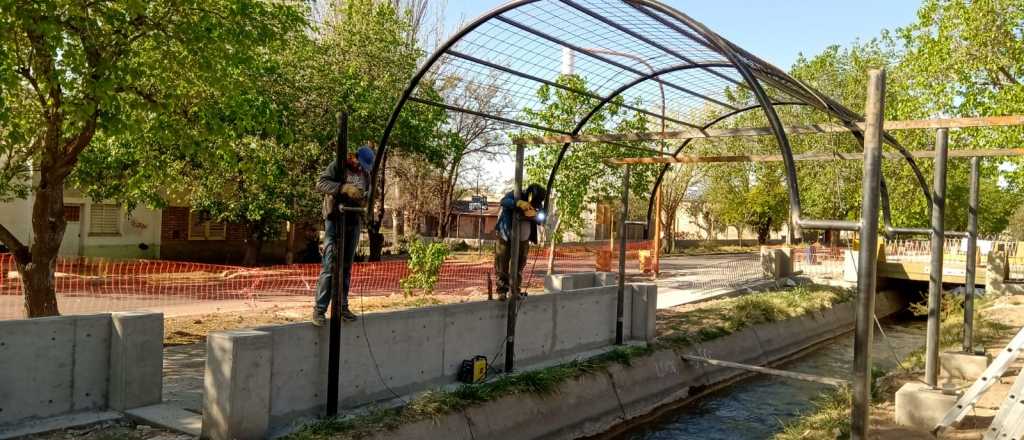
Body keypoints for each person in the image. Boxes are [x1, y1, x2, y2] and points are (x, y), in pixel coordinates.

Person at [312, 142, 375, 326]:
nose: (360, 168)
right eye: (360, 164)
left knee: (347, 266)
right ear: (354, 157)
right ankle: (319, 310)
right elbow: (321, 183)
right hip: (335, 219)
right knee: (330, 264)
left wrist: (365, 200)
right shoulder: (338, 166)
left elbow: (369, 194)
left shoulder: (366, 174)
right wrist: (343, 188)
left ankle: (342, 306)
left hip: (353, 220)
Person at [494, 183, 547, 300]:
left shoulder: (537, 202)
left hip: (523, 240)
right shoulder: (515, 195)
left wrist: (537, 215)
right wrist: (517, 203)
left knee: (518, 267)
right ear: (530, 195)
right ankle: (502, 292)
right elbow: (503, 201)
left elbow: (542, 217)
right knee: (502, 265)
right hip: (506, 236)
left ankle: (515, 291)